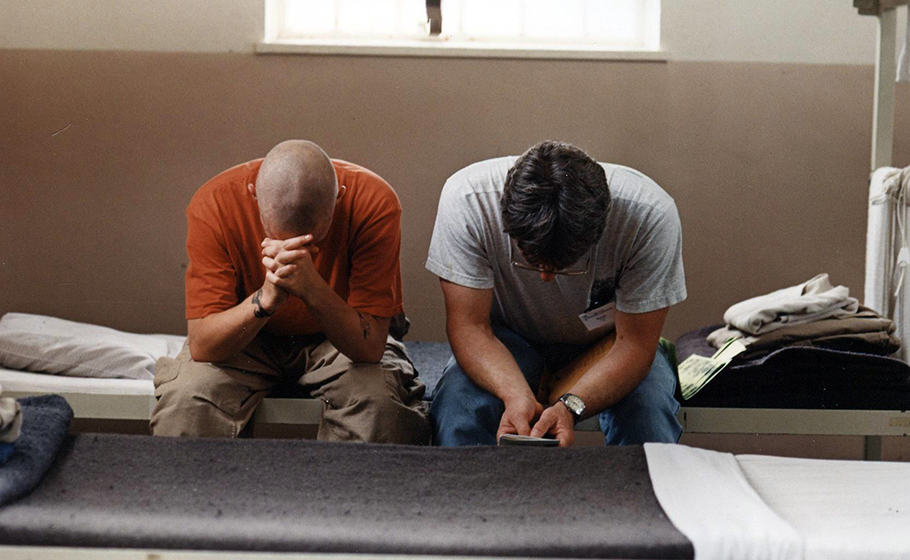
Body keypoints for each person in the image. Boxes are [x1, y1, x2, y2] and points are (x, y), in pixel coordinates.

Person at [151, 140, 430, 443]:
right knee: (185, 405)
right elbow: (204, 346)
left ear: (339, 198)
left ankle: (345, 491)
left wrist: (310, 287)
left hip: (336, 339)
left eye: (309, 241)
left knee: (382, 410)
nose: (292, 248)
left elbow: (369, 348)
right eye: (278, 237)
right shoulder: (215, 204)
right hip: (248, 339)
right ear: (253, 193)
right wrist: (266, 299)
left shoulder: (373, 201)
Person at [426, 140, 685, 447]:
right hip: (503, 339)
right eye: (530, 261)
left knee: (648, 415)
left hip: (610, 342)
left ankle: (640, 495)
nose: (546, 278)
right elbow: (470, 327)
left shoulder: (648, 216)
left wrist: (571, 407)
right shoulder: (468, 201)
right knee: (460, 407)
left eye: (563, 266)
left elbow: (636, 344)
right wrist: (515, 394)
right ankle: (466, 495)